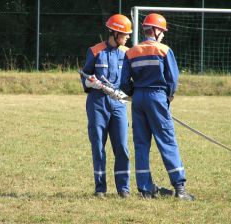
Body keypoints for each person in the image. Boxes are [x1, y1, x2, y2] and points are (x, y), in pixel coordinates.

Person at [120, 13, 195, 200]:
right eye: (163, 31)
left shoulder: (131, 52)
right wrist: (167, 98)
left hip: (138, 99)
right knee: (167, 141)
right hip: (157, 97)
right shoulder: (164, 50)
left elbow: (123, 82)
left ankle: (145, 190)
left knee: (141, 144)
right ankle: (180, 188)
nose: (163, 35)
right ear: (157, 30)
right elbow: (173, 79)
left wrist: (134, 93)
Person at [81, 14, 132, 198]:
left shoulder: (127, 53)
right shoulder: (95, 51)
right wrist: (90, 83)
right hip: (97, 103)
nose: (127, 37)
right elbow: (85, 76)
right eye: (125, 34)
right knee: (98, 146)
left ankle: (123, 189)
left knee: (122, 147)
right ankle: (100, 189)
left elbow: (129, 81)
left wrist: (126, 93)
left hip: (118, 104)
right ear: (115, 32)